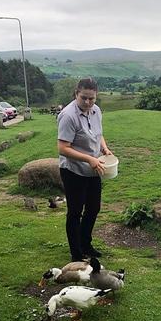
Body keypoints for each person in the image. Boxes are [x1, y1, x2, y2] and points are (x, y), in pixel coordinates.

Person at [57, 77, 112, 261]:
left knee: (93, 208)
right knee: (75, 211)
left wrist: (103, 147)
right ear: (76, 94)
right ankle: (76, 253)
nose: (88, 102)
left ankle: (86, 244)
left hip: (93, 167)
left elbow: (98, 134)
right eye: (84, 98)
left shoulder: (96, 111)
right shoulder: (68, 115)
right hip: (73, 170)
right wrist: (89, 158)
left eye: (92, 98)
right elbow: (63, 148)